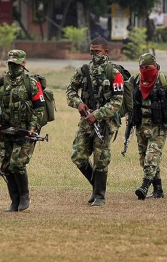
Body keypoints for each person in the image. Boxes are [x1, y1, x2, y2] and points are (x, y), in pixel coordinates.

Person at [66, 36, 124, 207]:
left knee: (101, 158)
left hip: (105, 123)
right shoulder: (83, 71)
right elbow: (70, 91)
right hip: (86, 121)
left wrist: (97, 115)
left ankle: (99, 195)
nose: (94, 55)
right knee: (78, 156)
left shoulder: (114, 73)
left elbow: (117, 102)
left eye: (97, 52)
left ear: (106, 51)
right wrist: (79, 103)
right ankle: (96, 186)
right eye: (91, 52)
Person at [0, 50, 45, 212]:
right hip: (5, 131)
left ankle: (24, 197)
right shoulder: (1, 82)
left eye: (16, 63)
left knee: (17, 164)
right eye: (11, 63)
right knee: (6, 166)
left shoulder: (31, 83)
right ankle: (14, 200)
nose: (13, 67)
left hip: (24, 131)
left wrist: (32, 128)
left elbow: (39, 109)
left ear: (24, 63)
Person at [132, 53, 167, 200]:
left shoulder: (166, 82)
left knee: (151, 156)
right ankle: (158, 189)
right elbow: (128, 100)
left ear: (155, 66)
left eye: (147, 67)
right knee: (144, 159)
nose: (144, 70)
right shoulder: (136, 80)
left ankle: (144, 186)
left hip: (159, 127)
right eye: (141, 67)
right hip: (141, 126)